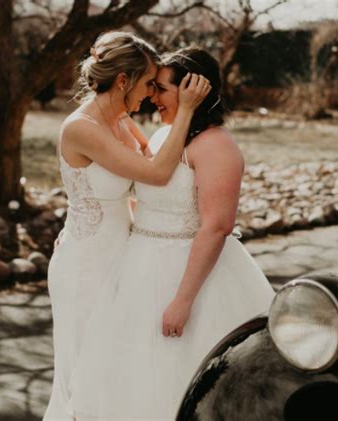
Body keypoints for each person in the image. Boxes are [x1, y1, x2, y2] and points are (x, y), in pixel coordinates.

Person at [67, 48, 275, 420]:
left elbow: (217, 226)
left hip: (188, 277)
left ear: (193, 88)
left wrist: (183, 301)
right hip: (137, 267)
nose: (152, 96)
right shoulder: (166, 136)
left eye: (161, 88)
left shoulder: (216, 145)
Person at [43, 33, 211, 420]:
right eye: (148, 83)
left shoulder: (119, 121)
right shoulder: (81, 128)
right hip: (86, 266)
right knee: (84, 378)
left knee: (113, 372)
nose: (152, 93)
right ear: (123, 80)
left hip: (120, 258)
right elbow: (156, 171)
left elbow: (147, 176)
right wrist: (185, 111)